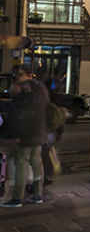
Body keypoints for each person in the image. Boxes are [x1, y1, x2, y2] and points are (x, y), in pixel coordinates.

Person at [2, 65, 49, 207]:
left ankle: (17, 198)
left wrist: (14, 133)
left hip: (26, 133)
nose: (16, 77)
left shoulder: (23, 88)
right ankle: (38, 194)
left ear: (24, 75)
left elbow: (18, 112)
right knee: (36, 163)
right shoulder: (41, 88)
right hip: (39, 131)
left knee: (21, 163)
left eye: (17, 75)